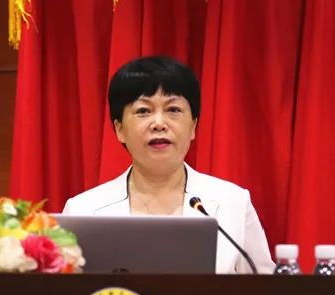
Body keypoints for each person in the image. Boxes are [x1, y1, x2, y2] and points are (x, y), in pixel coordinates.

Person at [62, 56, 275, 274]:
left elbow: (266, 290)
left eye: (173, 110)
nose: (159, 124)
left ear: (193, 126)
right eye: (143, 111)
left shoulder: (233, 203)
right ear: (120, 129)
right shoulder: (82, 211)